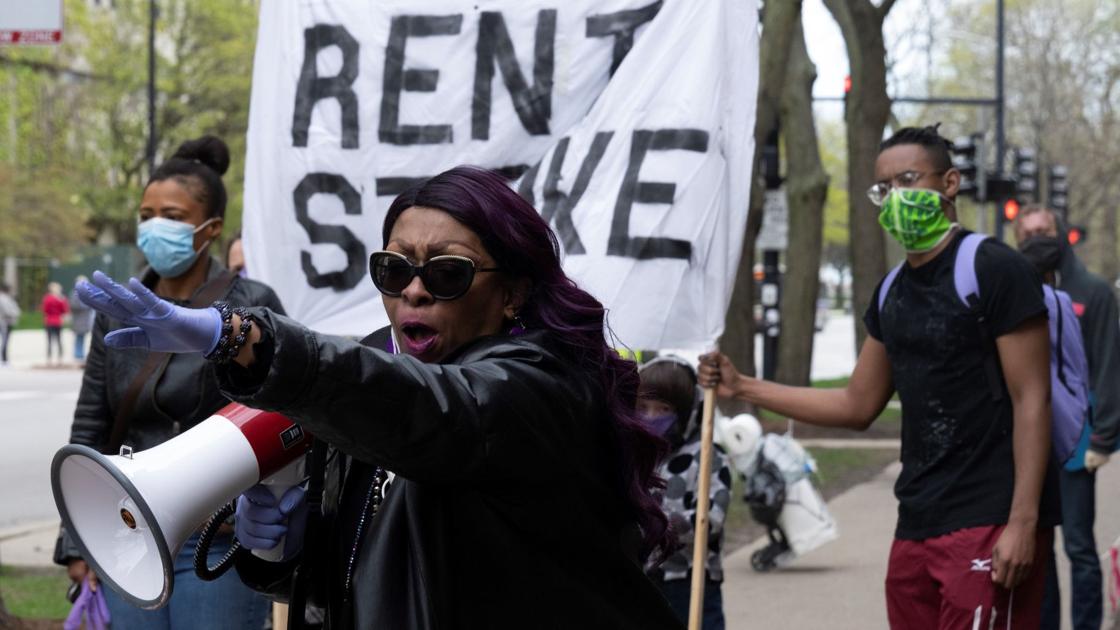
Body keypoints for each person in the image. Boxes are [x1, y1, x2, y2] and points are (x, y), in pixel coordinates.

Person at [75, 166, 683, 629]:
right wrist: (287, 551)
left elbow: (436, 409)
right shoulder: (379, 366)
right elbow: (366, 574)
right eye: (394, 271)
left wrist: (240, 337)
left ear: (513, 294)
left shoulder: (537, 385)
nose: (413, 292)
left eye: (448, 273)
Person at [699, 125, 1060, 629]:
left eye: (909, 180)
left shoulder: (993, 269)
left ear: (950, 183)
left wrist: (1024, 520)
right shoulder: (892, 292)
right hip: (917, 524)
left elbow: (1032, 400)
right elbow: (855, 404)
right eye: (883, 189)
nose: (895, 198)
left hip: (989, 519)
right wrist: (743, 387)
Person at [54, 135, 281, 630]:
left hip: (216, 541)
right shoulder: (117, 309)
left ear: (211, 228)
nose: (155, 226)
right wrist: (78, 543)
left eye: (173, 217)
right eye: (146, 214)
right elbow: (92, 419)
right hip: (126, 536)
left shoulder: (251, 305)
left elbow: (277, 415)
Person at [1015, 204, 1120, 630]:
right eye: (1028, 232)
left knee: (1077, 545)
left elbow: (1111, 365)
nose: (1037, 238)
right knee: (1037, 545)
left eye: (1044, 230)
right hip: (1028, 442)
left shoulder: (1093, 293)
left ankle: (1087, 625)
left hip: (1078, 441)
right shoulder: (1011, 293)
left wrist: (1104, 438)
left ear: (1060, 234)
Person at [638, 356, 731, 630]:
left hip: (691, 579)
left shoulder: (708, 457)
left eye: (663, 408)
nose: (651, 417)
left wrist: (661, 525)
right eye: (643, 407)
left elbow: (712, 519)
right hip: (646, 578)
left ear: (686, 413)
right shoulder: (639, 457)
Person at [41, 281, 69, 366]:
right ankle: (59, 359)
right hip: (57, 320)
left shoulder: (47, 298)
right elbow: (65, 310)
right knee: (59, 340)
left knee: (50, 341)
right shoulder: (61, 298)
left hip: (49, 320)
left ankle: (49, 359)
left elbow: (44, 309)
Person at [69, 276, 95, 364]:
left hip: (85, 320)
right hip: (78, 320)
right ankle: (78, 355)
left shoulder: (87, 293)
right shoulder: (75, 293)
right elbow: (73, 306)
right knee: (79, 338)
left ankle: (80, 354)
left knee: (82, 337)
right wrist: (84, 306)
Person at [0, 282, 20, 366]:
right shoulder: (3, 298)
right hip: (4, 322)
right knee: (5, 341)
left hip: (7, 322)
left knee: (5, 341)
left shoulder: (8, 298)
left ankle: (4, 359)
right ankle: (4, 359)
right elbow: (9, 311)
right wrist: (15, 313)